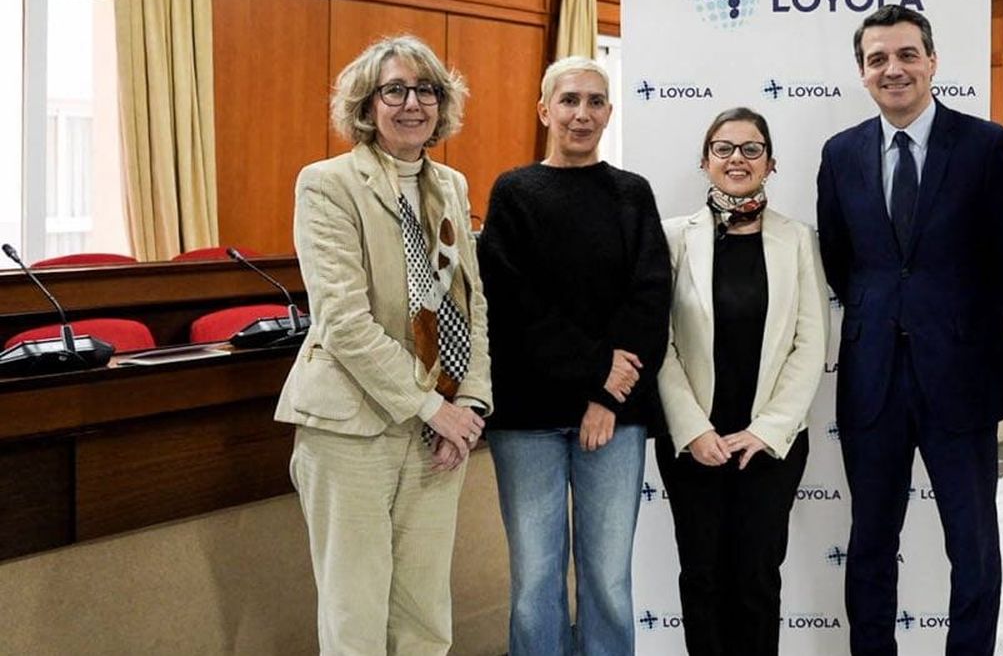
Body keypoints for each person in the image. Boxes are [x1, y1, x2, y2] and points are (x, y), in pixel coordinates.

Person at [816, 5, 1003, 656]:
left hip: (961, 378)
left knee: (971, 545)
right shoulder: (840, 153)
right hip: (872, 380)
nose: (894, 69)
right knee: (871, 543)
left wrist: (958, 328)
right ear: (862, 72)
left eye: (907, 54)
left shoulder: (985, 145)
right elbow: (840, 262)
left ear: (933, 62)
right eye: (878, 58)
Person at [275, 33, 492, 655]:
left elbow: (468, 301)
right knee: (356, 610)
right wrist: (434, 408)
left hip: (439, 428)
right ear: (368, 106)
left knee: (424, 611)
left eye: (426, 90)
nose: (411, 103)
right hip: (353, 426)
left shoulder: (450, 184)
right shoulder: (327, 183)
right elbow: (344, 320)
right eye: (393, 90)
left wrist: (469, 407)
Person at [477, 56, 671, 656]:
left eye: (594, 101)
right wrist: (595, 371)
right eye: (568, 101)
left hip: (613, 417)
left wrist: (605, 395)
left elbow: (649, 298)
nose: (581, 114)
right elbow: (514, 308)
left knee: (608, 580)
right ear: (544, 111)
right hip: (527, 417)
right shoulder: (514, 192)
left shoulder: (631, 194)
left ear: (609, 112)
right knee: (536, 581)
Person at [656, 106, 828, 656]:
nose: (737, 159)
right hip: (693, 442)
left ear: (770, 163)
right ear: (705, 161)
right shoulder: (672, 238)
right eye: (724, 148)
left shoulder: (798, 239)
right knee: (701, 576)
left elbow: (811, 345)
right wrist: (691, 429)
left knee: (757, 579)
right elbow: (660, 345)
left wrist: (768, 430)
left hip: (769, 446)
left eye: (751, 149)